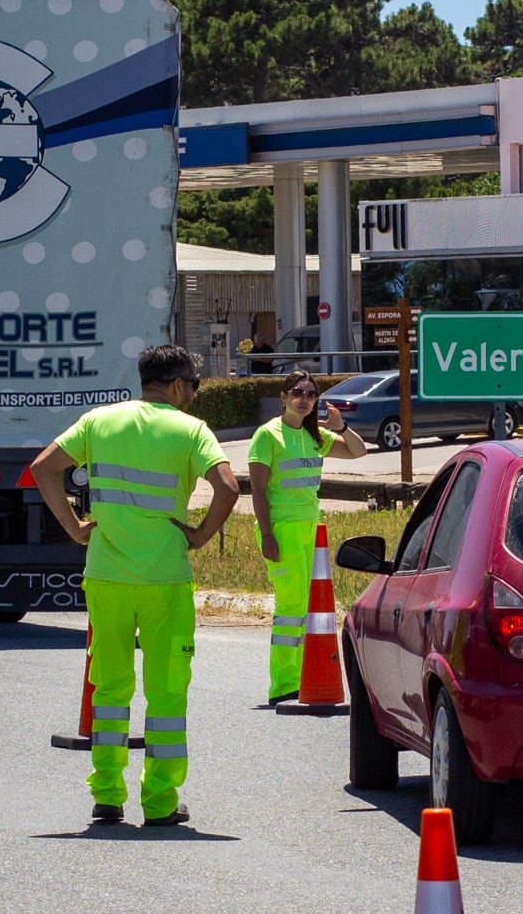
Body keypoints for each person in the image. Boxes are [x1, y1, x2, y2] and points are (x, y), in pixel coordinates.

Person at [31, 346, 242, 828]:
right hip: (164, 578)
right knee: (166, 692)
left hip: (106, 574)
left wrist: (75, 527)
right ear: (176, 384)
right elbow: (229, 487)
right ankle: (160, 800)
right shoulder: (191, 430)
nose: (195, 393)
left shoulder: (99, 421)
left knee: (110, 686)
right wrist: (200, 535)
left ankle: (107, 794)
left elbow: (43, 468)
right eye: (194, 384)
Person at [247, 369, 369, 703]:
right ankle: (283, 683)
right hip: (282, 528)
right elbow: (257, 490)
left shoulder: (315, 435)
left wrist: (340, 426)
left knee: (310, 605)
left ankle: (301, 675)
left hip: (311, 529)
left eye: (312, 394)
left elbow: (358, 451)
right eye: (298, 393)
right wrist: (267, 535)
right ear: (283, 397)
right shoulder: (267, 435)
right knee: (292, 605)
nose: (305, 399)